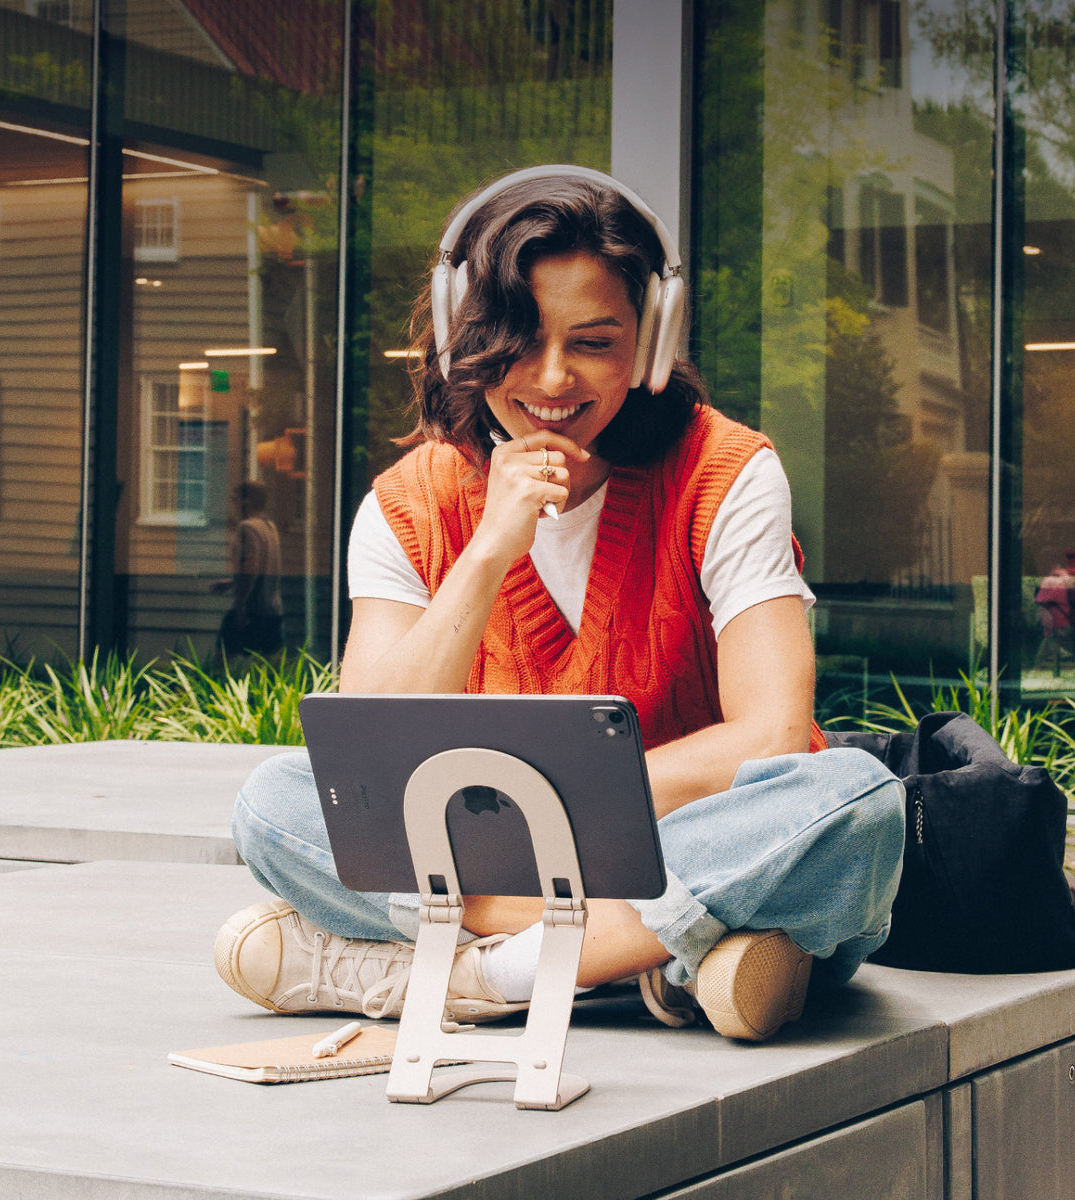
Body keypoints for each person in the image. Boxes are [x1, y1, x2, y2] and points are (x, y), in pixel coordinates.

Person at [215, 166, 905, 1042]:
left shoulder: (726, 475)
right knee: (275, 802)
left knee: (854, 805)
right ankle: (663, 958)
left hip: (678, 837)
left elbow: (770, 736)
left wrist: (547, 815)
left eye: (594, 342)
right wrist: (490, 550)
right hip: (524, 846)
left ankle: (484, 972)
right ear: (461, 333)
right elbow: (367, 758)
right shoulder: (406, 503)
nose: (551, 378)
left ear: (650, 344)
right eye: (518, 338)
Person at [213, 481, 284, 660]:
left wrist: (240, 607)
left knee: (223, 661)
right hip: (273, 609)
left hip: (254, 609)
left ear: (246, 502)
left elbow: (252, 566)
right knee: (268, 667)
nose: (233, 504)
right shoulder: (269, 527)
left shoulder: (248, 528)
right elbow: (262, 569)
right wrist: (232, 583)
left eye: (235, 499)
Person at [1034, 552, 1075, 671]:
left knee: (1051, 640)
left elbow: (1041, 601)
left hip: (1057, 622)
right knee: (1053, 640)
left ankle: (1039, 665)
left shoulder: (1049, 581)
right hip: (1064, 622)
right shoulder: (1064, 581)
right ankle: (1041, 664)